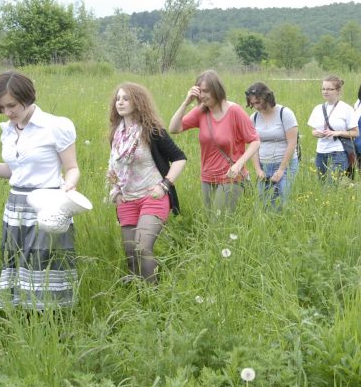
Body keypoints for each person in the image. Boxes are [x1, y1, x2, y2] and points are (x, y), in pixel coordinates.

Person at [0, 71, 80, 310]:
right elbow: (14, 172)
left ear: (27, 97)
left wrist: (69, 184)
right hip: (15, 208)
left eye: (11, 105)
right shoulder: (8, 130)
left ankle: (53, 325)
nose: (7, 112)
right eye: (1, 107)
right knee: (19, 264)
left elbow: (72, 168)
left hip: (47, 205)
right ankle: (26, 321)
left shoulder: (55, 126)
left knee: (45, 265)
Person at [107, 83, 186, 284]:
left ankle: (154, 298)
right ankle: (138, 296)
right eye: (118, 98)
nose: (120, 102)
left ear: (138, 102)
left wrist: (165, 185)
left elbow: (179, 158)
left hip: (152, 196)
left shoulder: (152, 131)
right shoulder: (117, 134)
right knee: (131, 253)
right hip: (126, 199)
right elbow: (114, 167)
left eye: (126, 98)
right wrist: (115, 190)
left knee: (142, 248)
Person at [169, 70, 260, 213]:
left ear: (217, 90)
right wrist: (186, 102)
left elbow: (255, 141)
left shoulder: (234, 111)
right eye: (200, 91)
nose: (202, 96)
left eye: (206, 91)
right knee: (210, 221)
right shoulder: (201, 112)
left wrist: (238, 165)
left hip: (230, 177)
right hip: (207, 177)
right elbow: (173, 128)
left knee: (218, 223)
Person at [246, 82, 299, 208]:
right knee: (264, 203)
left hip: (286, 166)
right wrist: (258, 169)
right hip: (264, 166)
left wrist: (281, 169)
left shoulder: (285, 113)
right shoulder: (253, 118)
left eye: (257, 103)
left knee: (282, 203)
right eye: (252, 104)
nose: (255, 106)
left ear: (266, 97)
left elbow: (292, 143)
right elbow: (253, 146)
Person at [307, 75, 359, 181]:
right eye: (323, 89)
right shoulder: (318, 108)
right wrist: (316, 133)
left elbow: (355, 133)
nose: (325, 92)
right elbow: (313, 131)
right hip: (321, 152)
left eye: (329, 89)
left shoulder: (346, 109)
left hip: (338, 151)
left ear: (338, 91)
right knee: (321, 183)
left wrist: (337, 133)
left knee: (332, 185)